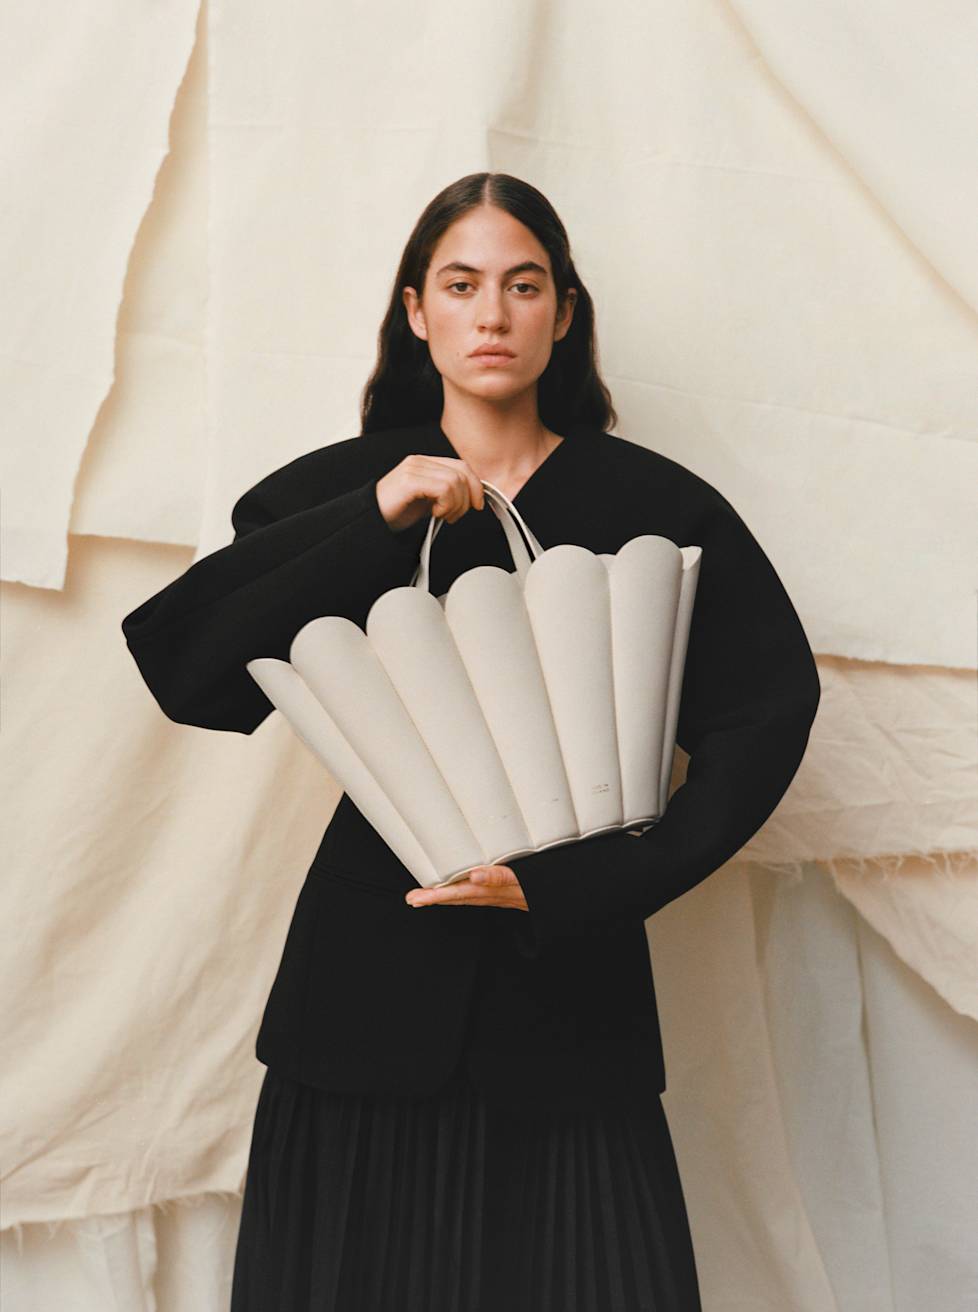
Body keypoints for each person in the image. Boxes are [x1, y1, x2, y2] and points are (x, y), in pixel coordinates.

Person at [121, 172, 820, 1311]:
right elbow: (188, 670)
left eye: (523, 285)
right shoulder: (338, 491)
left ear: (565, 311)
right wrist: (374, 516)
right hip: (364, 1001)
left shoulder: (654, 504)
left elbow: (765, 714)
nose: (492, 314)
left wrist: (589, 883)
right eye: (460, 285)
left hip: (572, 1002)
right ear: (416, 312)